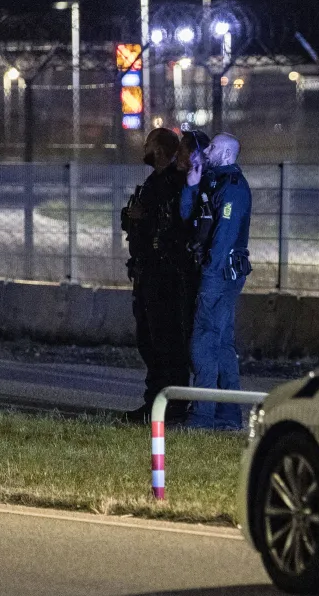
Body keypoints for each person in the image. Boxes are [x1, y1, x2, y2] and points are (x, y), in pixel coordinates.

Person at [121, 128, 194, 424]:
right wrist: (132, 217)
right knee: (149, 342)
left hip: (166, 276)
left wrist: (144, 217)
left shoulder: (175, 183)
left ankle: (172, 405)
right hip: (146, 273)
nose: (145, 148)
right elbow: (135, 219)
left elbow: (175, 225)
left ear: (160, 150)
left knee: (167, 343)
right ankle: (154, 402)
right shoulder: (153, 182)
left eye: (149, 143)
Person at [181, 132, 253, 430]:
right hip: (216, 271)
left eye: (212, 147)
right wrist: (191, 186)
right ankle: (228, 415)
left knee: (202, 341)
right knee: (221, 343)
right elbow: (188, 217)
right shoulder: (213, 182)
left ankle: (202, 415)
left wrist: (209, 274)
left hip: (220, 274)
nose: (207, 151)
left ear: (225, 154)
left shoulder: (232, 188)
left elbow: (224, 237)